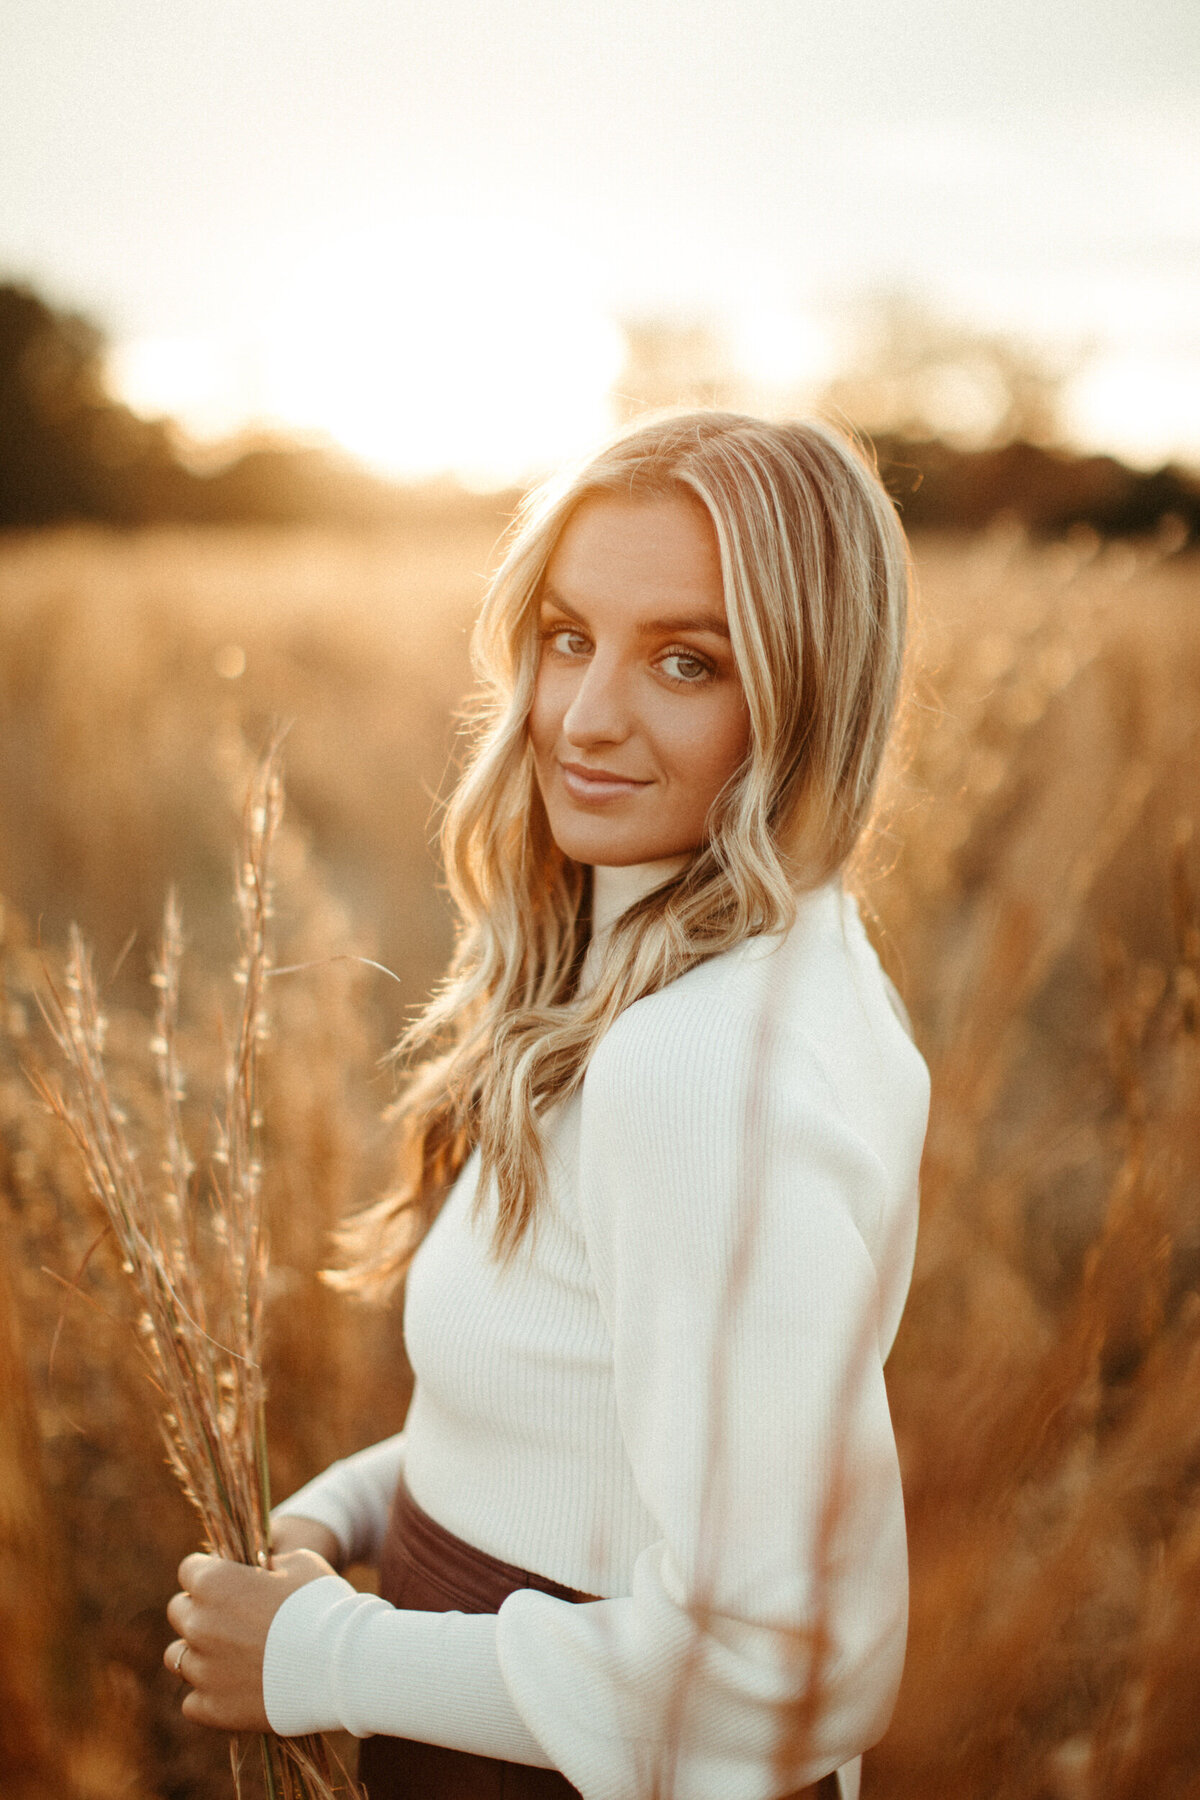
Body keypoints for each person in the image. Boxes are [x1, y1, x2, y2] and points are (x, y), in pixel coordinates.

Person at [163, 411, 930, 1800]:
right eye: (568, 636)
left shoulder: (696, 1068)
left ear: (811, 694)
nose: (581, 718)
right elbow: (612, 1419)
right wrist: (352, 1509)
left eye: (687, 661)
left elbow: (792, 1666)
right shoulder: (758, 964)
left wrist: (325, 1659)